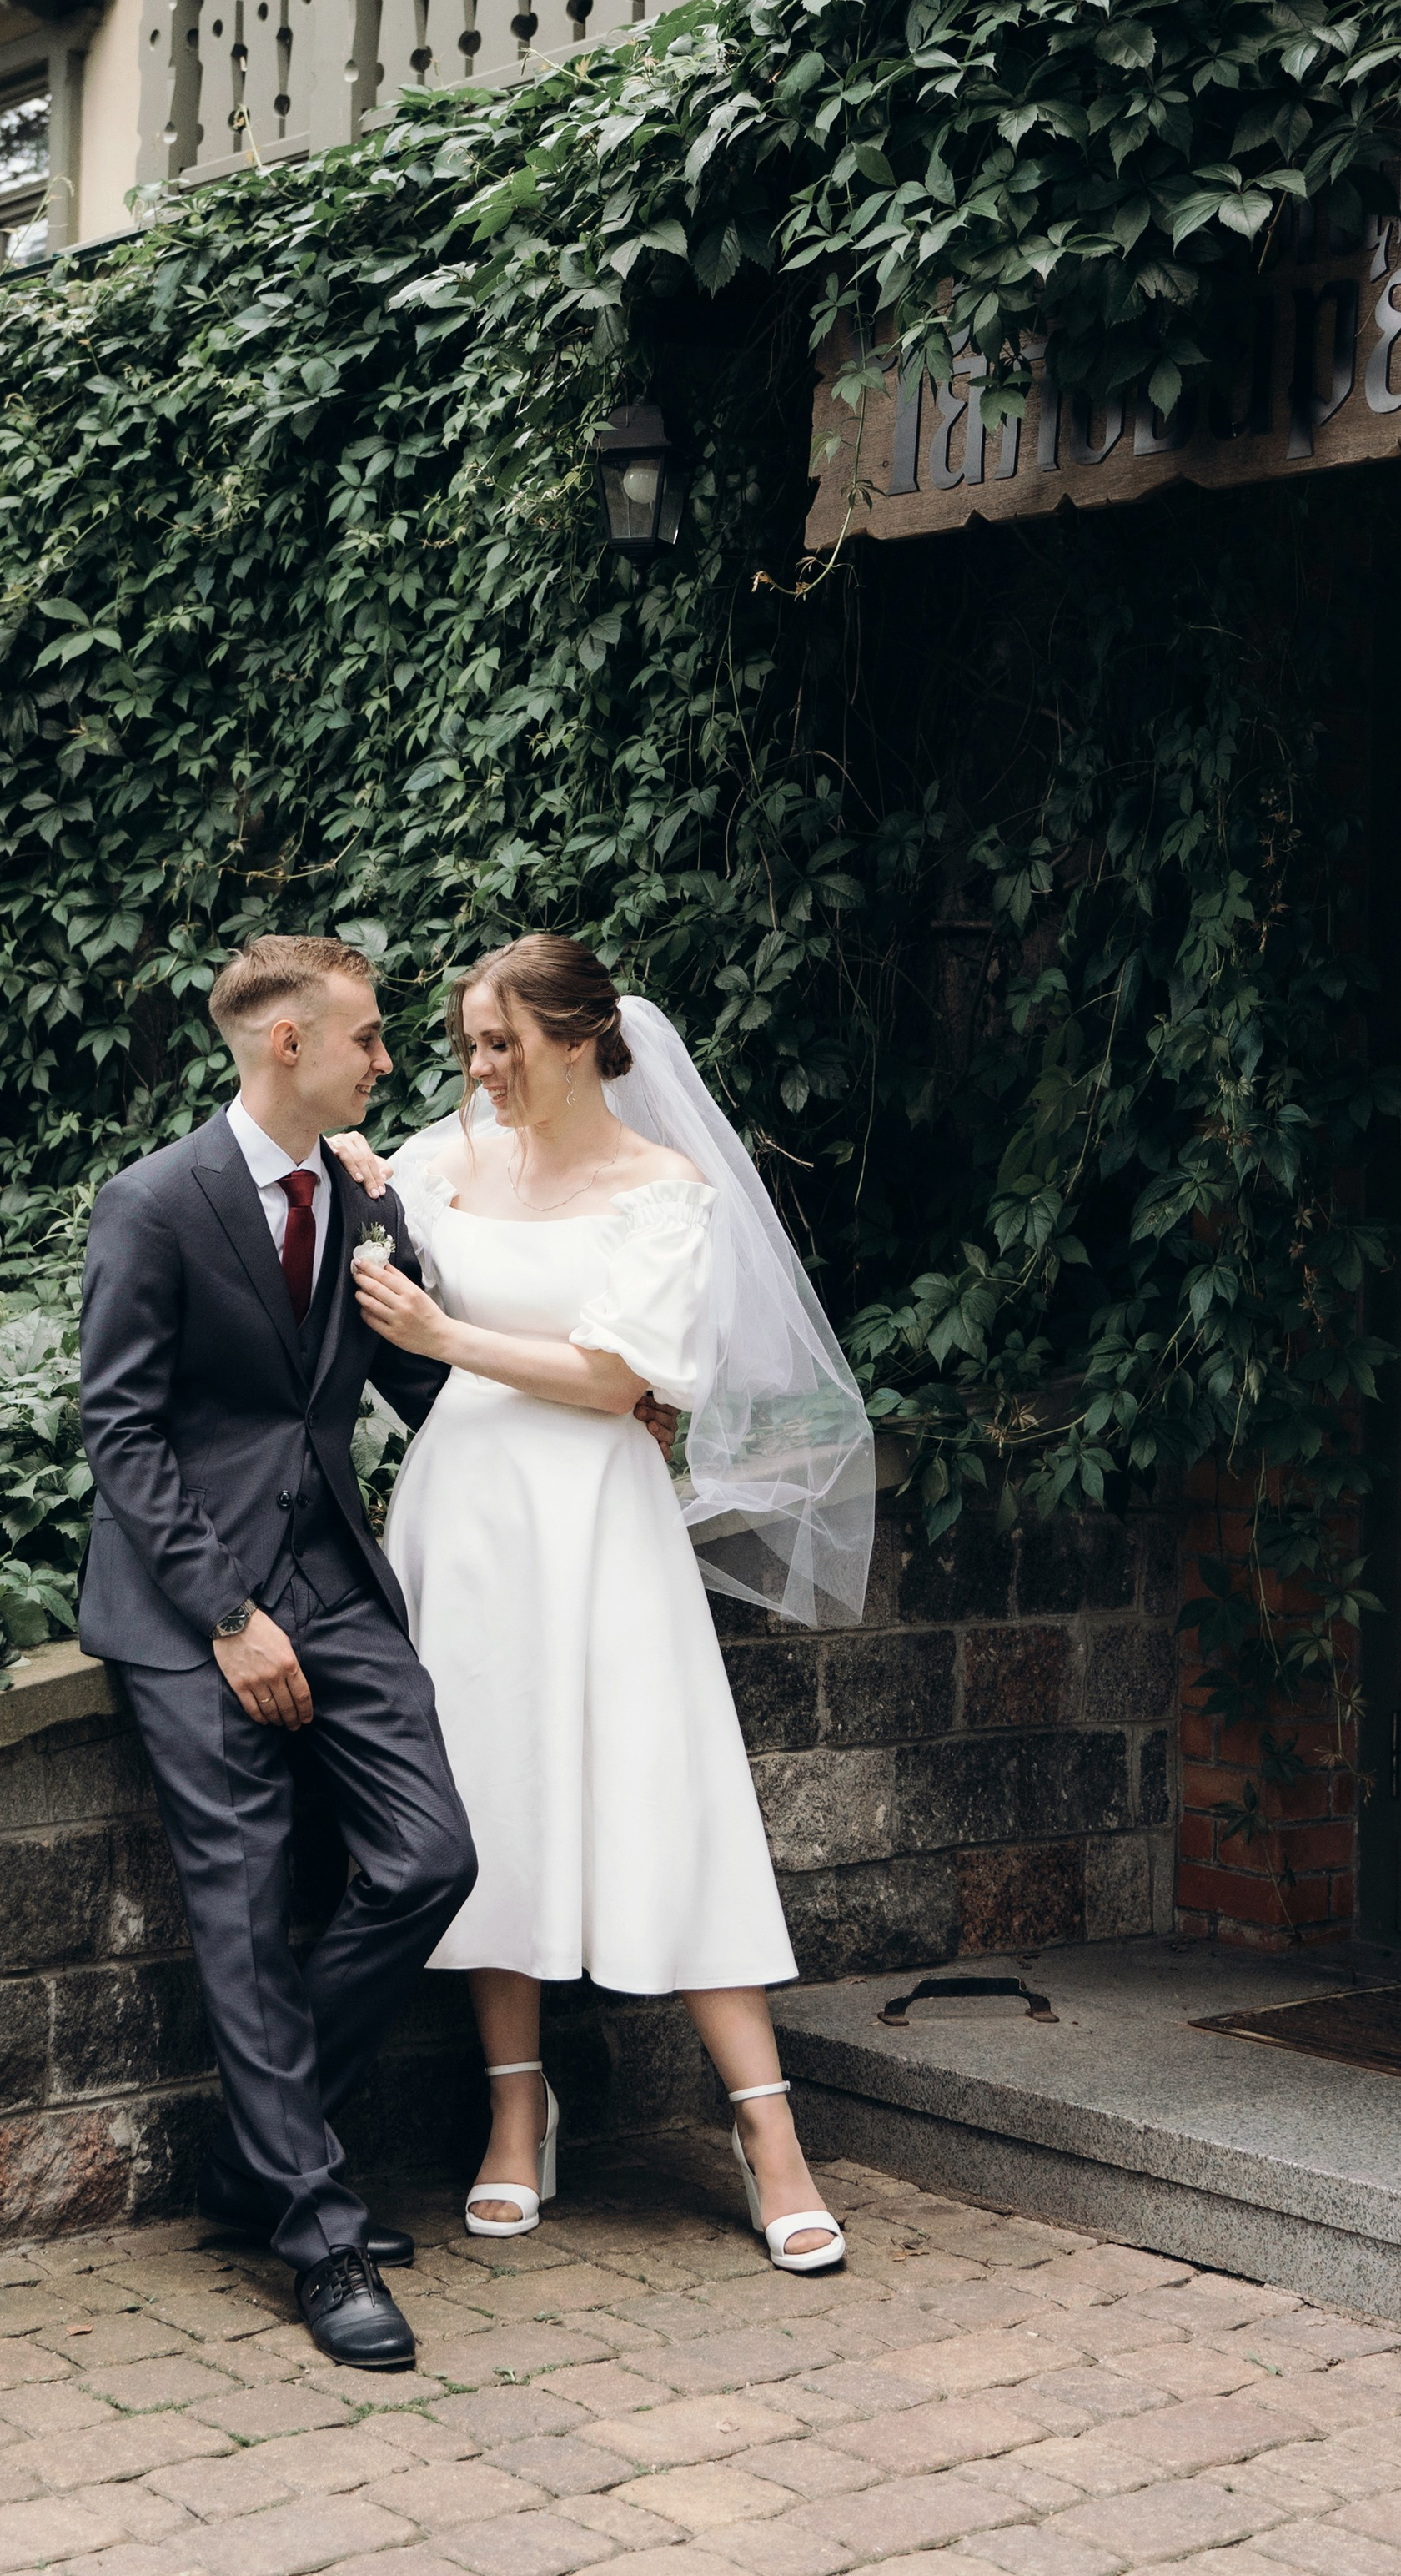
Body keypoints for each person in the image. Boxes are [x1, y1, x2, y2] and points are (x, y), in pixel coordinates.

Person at [339, 933, 876, 2269]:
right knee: (491, 1796)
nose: (479, 1066)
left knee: (665, 1793)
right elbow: (353, 1198)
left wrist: (445, 1335)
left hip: (600, 1517)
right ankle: (518, 2113)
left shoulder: (663, 1187)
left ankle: (768, 2132)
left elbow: (626, 1373)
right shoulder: (447, 1155)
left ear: (581, 1038)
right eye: (467, 1041)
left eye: (502, 1042)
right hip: (466, 1516)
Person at [78, 934, 477, 2372]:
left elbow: (422, 1374)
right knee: (243, 1906)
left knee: (433, 1858)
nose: (390, 1060)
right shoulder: (154, 1203)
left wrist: (610, 1413)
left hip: (335, 1572)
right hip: (196, 1602)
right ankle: (314, 2228)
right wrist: (228, 1616)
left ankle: (262, 2151)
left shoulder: (363, 1195)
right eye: (369, 1038)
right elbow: (119, 1429)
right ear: (288, 1047)